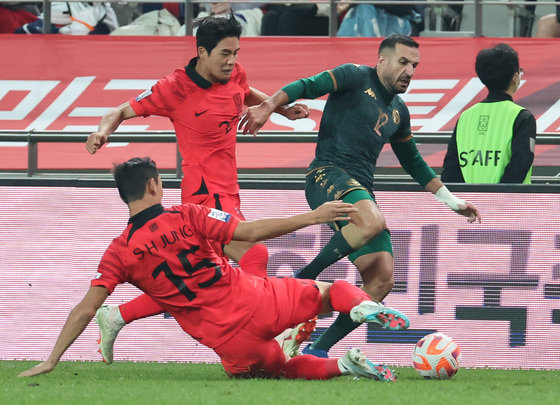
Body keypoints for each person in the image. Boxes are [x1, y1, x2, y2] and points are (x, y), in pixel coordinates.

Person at [18, 157, 410, 381]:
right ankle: (360, 307)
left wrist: (53, 358)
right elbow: (252, 232)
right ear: (155, 185)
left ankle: (342, 366)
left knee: (280, 370)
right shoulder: (187, 214)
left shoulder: (118, 253)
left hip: (229, 342)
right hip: (257, 299)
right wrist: (314, 216)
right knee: (327, 292)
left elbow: (85, 308)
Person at [85, 14, 311, 364]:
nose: (232, 60)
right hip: (203, 194)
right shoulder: (173, 89)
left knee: (203, 275)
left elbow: (243, 91)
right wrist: (102, 131)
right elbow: (119, 111)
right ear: (202, 52)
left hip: (230, 188)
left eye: (236, 51)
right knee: (254, 255)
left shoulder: (234, 72)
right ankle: (270, 327)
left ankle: (117, 316)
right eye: (224, 53)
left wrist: (279, 108)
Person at [240, 34, 481, 358]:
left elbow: (414, 162)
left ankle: (317, 351)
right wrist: (269, 106)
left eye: (414, 65)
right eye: (403, 62)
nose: (409, 71)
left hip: (358, 189)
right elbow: (306, 85)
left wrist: (454, 203)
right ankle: (301, 280)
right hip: (325, 174)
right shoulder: (354, 76)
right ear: (382, 60)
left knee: (381, 280)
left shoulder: (399, 112)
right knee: (372, 221)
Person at [441, 43, 536, 184]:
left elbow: (450, 170)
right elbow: (520, 165)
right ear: (515, 77)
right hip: (510, 203)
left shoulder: (466, 117)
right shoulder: (522, 117)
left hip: (470, 203)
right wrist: (495, 198)